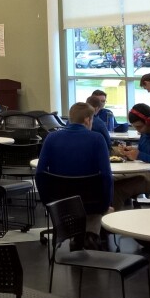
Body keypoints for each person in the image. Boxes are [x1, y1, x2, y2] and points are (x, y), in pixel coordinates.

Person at [34, 102, 113, 245]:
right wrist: (105, 204)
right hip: (91, 201)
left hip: (59, 201)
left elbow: (40, 173)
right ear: (88, 120)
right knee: (106, 207)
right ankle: (90, 236)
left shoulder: (51, 138)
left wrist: (47, 202)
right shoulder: (97, 139)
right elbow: (107, 176)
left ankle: (80, 237)